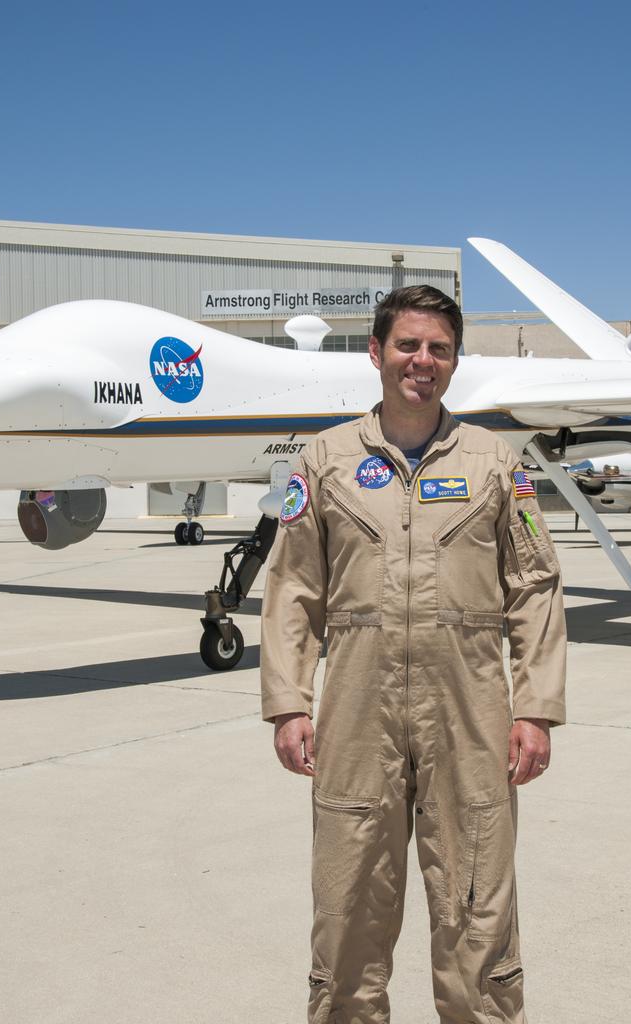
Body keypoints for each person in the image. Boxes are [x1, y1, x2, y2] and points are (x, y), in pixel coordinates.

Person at [260, 284, 567, 1023]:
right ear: (375, 352)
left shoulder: (498, 465)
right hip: (357, 717)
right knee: (347, 908)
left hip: (469, 717)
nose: (421, 361)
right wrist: (288, 702)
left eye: (438, 349)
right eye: (407, 345)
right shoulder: (322, 461)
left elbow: (535, 587)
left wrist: (536, 709)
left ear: (454, 363)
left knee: (477, 911)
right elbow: (293, 586)